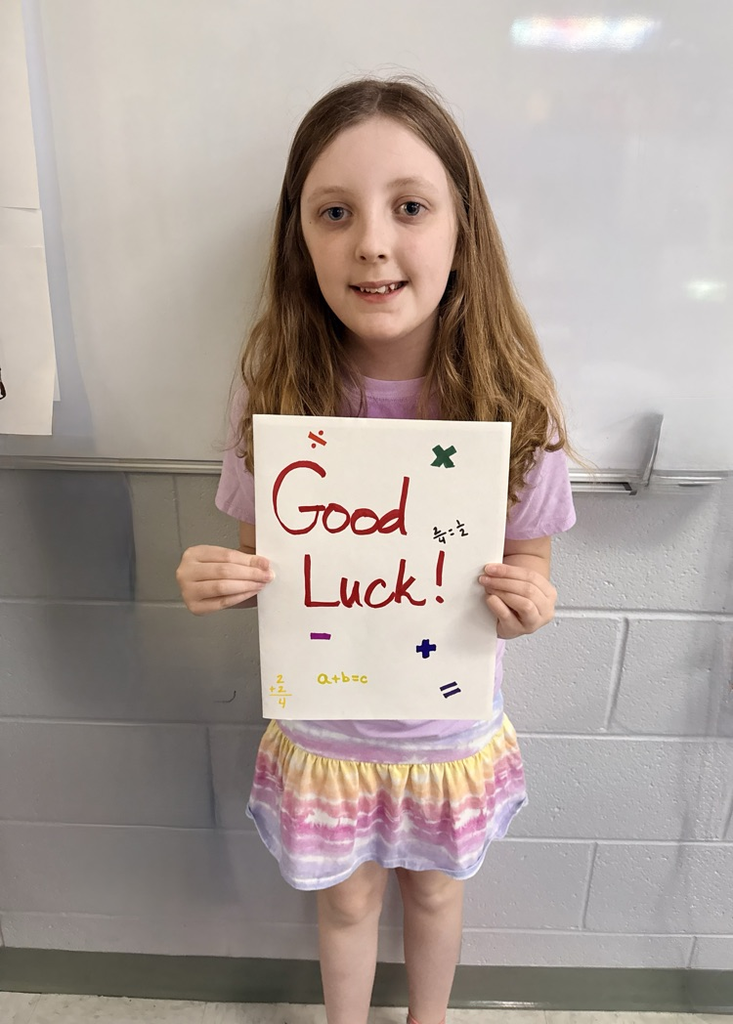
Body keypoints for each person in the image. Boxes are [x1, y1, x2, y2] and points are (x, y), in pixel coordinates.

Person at [176, 76, 577, 1024]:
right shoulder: (272, 392)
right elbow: (263, 563)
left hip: (444, 731)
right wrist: (221, 580)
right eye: (334, 212)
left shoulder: (510, 401)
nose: (371, 242)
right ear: (298, 237)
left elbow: (530, 574)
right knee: (348, 898)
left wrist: (529, 601)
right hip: (327, 731)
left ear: (459, 228)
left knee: (434, 890)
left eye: (408, 206)